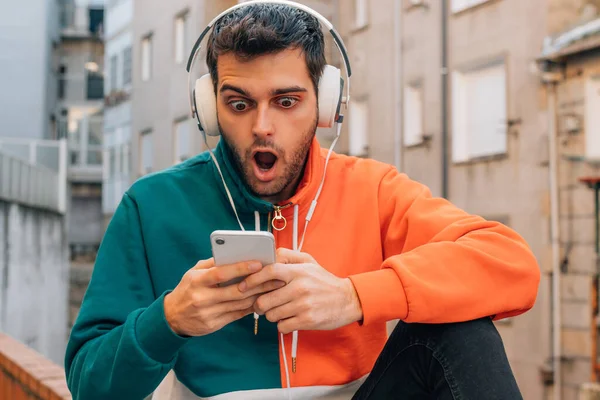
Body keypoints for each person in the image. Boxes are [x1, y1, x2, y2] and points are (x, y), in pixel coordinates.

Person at [64, 2, 540, 400]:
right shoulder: (151, 205)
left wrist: (354, 296)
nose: (263, 127)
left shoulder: (373, 189)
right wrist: (168, 321)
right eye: (239, 103)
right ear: (209, 109)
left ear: (326, 104)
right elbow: (88, 385)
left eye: (286, 101)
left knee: (462, 330)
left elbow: (511, 265)